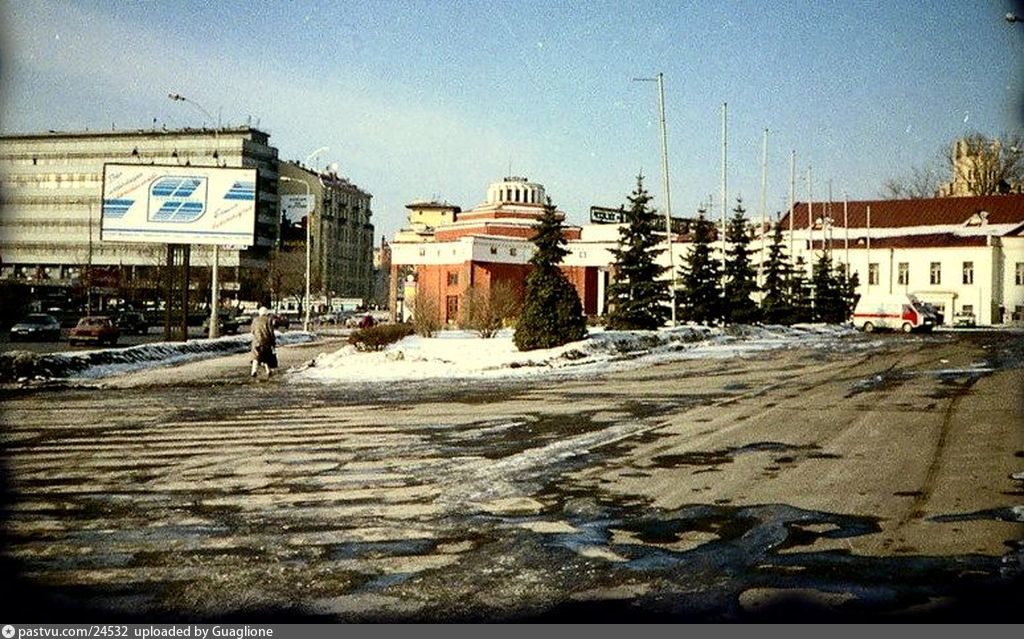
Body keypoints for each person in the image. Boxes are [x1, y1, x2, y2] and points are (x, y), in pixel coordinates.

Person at [250, 306, 277, 377]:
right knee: (266, 356)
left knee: (256, 357)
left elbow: (252, 330)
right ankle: (268, 371)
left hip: (256, 342)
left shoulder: (255, 320)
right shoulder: (269, 320)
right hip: (266, 342)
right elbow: (271, 332)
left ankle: (254, 371)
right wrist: (273, 342)